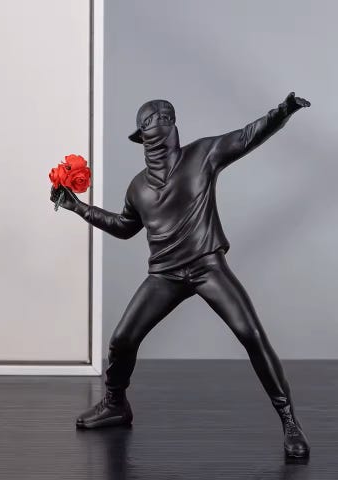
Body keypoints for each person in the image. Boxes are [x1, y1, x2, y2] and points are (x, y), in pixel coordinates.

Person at [50, 93, 311, 458]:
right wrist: (78, 207)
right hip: (165, 275)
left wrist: (283, 111)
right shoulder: (138, 187)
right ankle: (115, 404)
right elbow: (125, 227)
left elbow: (248, 136)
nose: (155, 131)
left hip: (207, 267)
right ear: (141, 137)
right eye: (148, 127)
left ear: (172, 126)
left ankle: (290, 422)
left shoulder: (203, 155)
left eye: (162, 122)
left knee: (251, 335)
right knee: (122, 340)